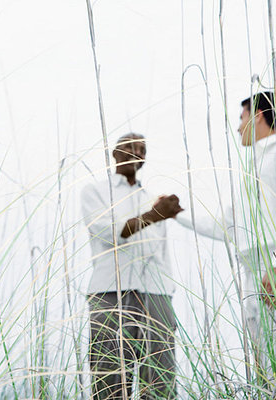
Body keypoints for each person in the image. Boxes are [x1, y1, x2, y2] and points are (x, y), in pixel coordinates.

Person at [175, 92, 276, 387]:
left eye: (241, 118)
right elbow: (229, 226)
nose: (238, 126)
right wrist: (176, 214)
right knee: (267, 366)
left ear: (257, 116)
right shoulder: (252, 166)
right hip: (254, 276)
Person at [81, 133, 183, 399]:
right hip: (111, 291)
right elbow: (109, 232)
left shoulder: (152, 198)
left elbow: (160, 251)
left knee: (160, 378)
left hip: (156, 293)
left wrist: (167, 292)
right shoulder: (95, 191)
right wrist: (154, 215)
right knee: (110, 377)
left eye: (141, 149)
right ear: (114, 153)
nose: (135, 152)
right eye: (128, 147)